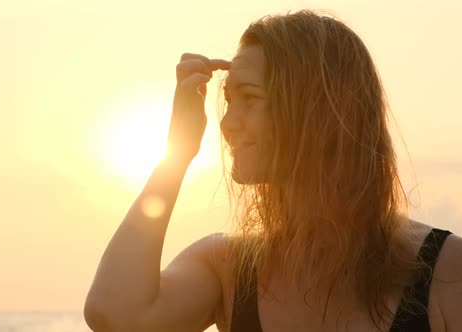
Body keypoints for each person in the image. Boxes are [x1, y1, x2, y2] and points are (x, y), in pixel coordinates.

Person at [84, 9, 461, 332]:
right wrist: (177, 154)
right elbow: (115, 314)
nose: (227, 124)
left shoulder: (445, 270)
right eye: (229, 101)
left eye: (249, 99)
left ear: (316, 110)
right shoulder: (229, 269)